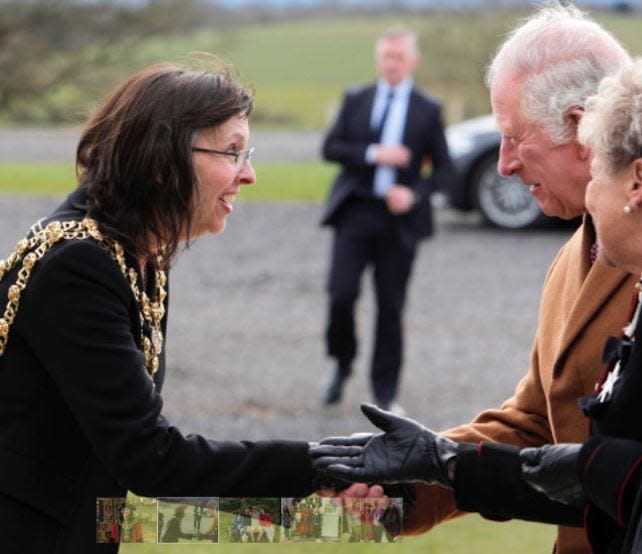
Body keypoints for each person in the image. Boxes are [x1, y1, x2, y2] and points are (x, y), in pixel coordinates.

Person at [0, 60, 378, 554]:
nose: (250, 175)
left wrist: (310, 495)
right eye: (232, 152)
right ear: (160, 162)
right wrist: (323, 464)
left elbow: (136, 467)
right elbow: (150, 459)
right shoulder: (80, 265)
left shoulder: (134, 253)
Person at [314, 5, 635, 554]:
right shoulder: (572, 256)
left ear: (582, 127)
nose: (503, 164)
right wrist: (410, 482)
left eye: (513, 136)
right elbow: (537, 423)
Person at [320, 25, 452, 411]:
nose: (391, 64)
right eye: (386, 57)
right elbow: (330, 148)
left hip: (400, 221)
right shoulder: (356, 98)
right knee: (341, 295)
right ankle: (341, 363)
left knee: (390, 305)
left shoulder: (429, 109)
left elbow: (444, 170)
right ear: (379, 59)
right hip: (356, 211)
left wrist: (414, 194)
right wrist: (374, 153)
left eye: (399, 57)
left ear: (413, 61)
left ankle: (385, 394)